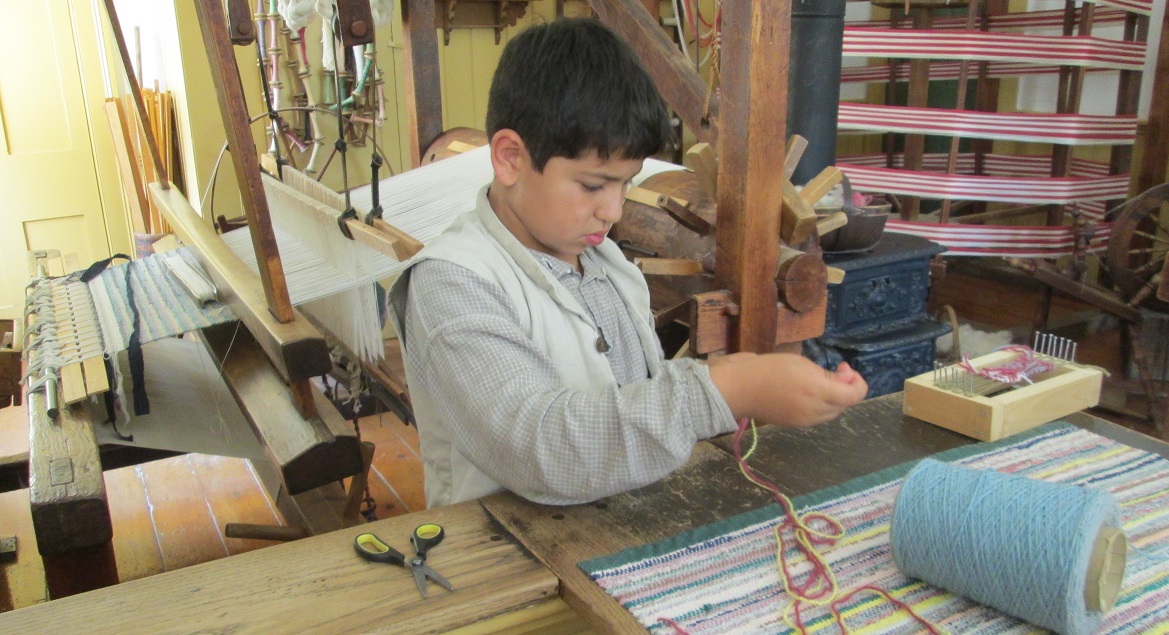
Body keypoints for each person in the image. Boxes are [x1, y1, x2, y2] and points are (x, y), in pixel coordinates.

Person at [388, 17, 867, 509]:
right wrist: (727, 388)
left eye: (627, 182)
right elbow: (538, 446)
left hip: (610, 529)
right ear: (510, 158)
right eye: (593, 185)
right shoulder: (451, 283)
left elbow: (634, 396)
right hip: (503, 559)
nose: (613, 211)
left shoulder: (604, 263)